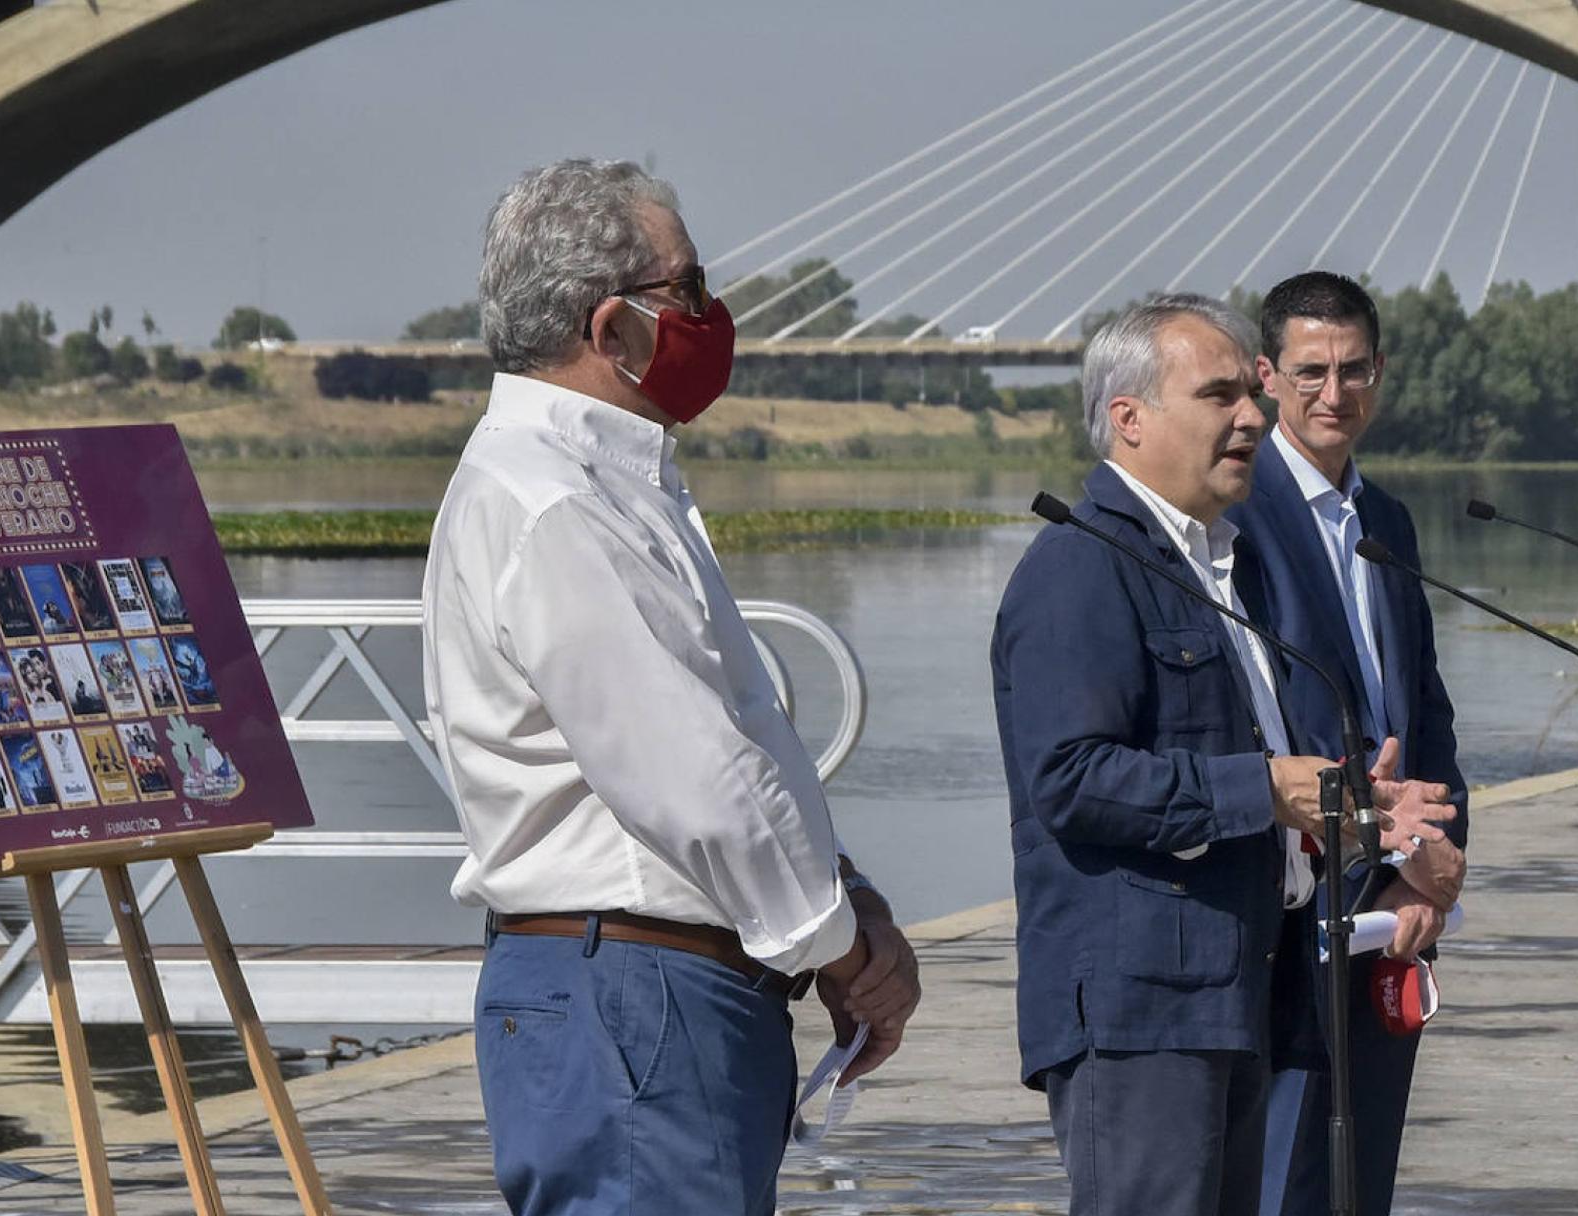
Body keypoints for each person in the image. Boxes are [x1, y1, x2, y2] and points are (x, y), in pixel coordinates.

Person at [422, 159, 921, 1216]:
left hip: (646, 992)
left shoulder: (595, 483)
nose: (712, 313)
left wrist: (842, 892)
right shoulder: (558, 503)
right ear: (613, 327)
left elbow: (731, 740)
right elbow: (701, 786)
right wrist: (845, 949)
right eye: (689, 288)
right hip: (635, 993)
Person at [990, 294, 1454, 1216]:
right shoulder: (1081, 567)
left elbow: (1247, 766)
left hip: (1237, 990)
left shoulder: (1216, 569)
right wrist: (1268, 787)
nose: (1252, 416)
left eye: (1249, 391)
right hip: (1142, 1008)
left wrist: (1353, 813)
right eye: (1219, 396)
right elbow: (1069, 781)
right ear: (1129, 418)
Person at [1229, 272, 1469, 1216]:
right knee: (1284, 1180)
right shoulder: (1234, 517)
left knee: (1361, 1182)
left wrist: (1430, 867)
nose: (1336, 393)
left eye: (1355, 369)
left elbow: (1429, 717)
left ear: (1381, 371)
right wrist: (1371, 838)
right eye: (1311, 372)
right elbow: (1255, 716)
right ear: (1267, 377)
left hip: (1392, 912)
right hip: (1290, 908)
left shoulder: (1388, 521)